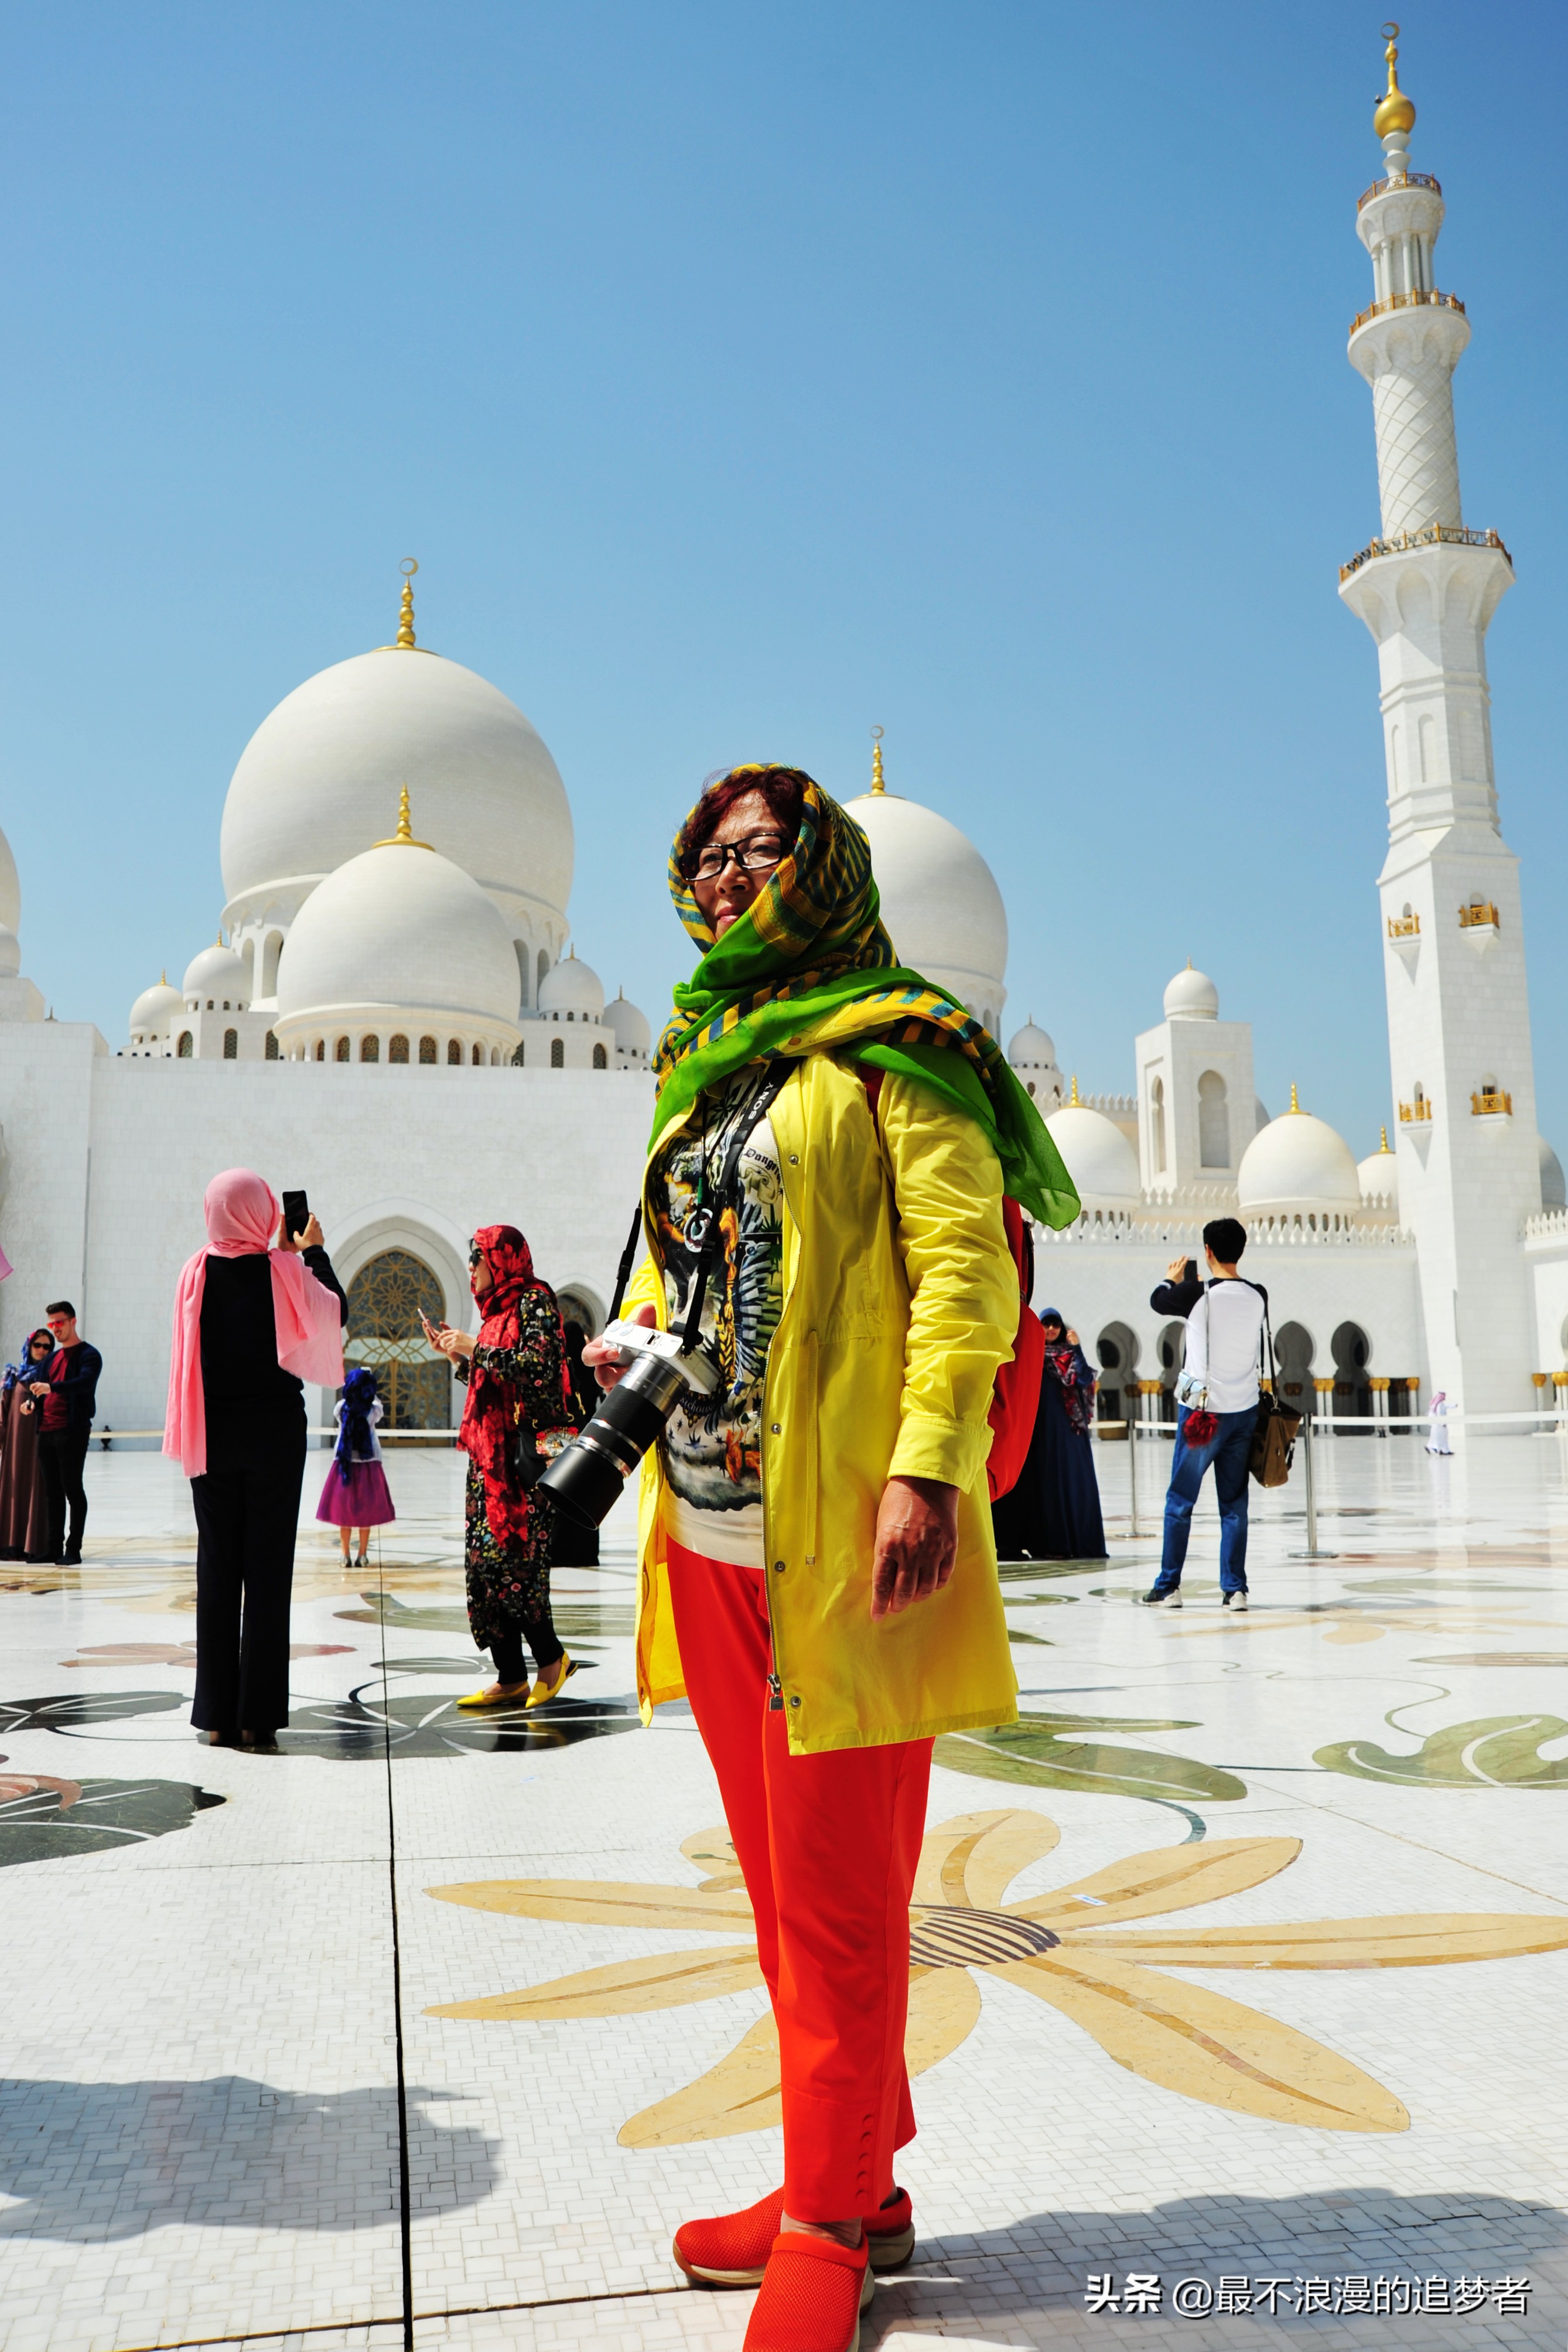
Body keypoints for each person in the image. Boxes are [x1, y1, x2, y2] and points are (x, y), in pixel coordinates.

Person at [583, 764, 1077, 2352]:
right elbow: (692, 1261)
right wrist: (638, 1340)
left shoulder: (900, 1043)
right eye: (704, 857)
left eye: (755, 851)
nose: (725, 879)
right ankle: (853, 2179)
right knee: (790, 1886)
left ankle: (819, 2221)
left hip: (845, 1531)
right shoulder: (706, 1055)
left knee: (845, 1890)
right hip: (713, 1520)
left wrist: (928, 1463)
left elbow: (957, 1271)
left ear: (823, 865)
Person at [163, 1170, 346, 1749]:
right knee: (267, 1574)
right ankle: (257, 1716)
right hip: (273, 1438)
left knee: (217, 1570)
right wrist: (311, 1252)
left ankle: (214, 1716)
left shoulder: (194, 1272)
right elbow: (336, 1312)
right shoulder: (282, 1271)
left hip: (210, 1434)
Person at [425, 1226, 577, 1712]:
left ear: (502, 1258)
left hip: (523, 1465)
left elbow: (539, 1368)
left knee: (517, 1565)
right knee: (484, 1568)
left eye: (478, 1258)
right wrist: (459, 1356)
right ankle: (510, 1674)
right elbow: (492, 1378)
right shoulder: (494, 1314)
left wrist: (477, 1349)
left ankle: (551, 1661)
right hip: (489, 1462)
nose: (472, 1268)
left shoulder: (535, 1300)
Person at [1137, 1217, 1264, 1612]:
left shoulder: (1196, 1293)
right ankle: (1235, 1589)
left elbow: (1157, 1302)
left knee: (1180, 1500)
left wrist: (1170, 1279)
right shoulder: (1259, 1294)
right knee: (1234, 1504)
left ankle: (1168, 1586)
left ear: (1207, 1251)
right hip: (1244, 1412)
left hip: (1202, 1415)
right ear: (1240, 1250)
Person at [990, 1309, 1105, 1562]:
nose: (1051, 1329)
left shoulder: (1069, 1353)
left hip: (1066, 1431)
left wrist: (1076, 1350)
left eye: (1055, 1325)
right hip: (1038, 1428)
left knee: (1065, 1483)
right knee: (1041, 1485)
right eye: (1046, 1324)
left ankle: (1069, 1542)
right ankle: (1041, 1543)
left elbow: (1085, 1378)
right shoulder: (1032, 1353)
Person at [33, 1301, 103, 1566]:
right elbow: (40, 1393)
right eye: (51, 1324)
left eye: (59, 1323)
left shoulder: (89, 1355)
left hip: (72, 1430)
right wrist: (32, 1403)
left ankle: (73, 1549)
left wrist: (51, 1388)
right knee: (52, 1491)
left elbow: (84, 1383)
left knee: (72, 1488)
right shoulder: (50, 1359)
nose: (55, 1329)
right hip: (47, 1431)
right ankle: (53, 1548)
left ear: (73, 1321)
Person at [316, 1366, 396, 1565]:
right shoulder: (374, 1409)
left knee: (345, 1511)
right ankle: (362, 1555)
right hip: (369, 1463)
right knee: (366, 1512)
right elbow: (377, 1406)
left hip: (345, 1463)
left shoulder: (341, 1408)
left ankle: (345, 1555)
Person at [0, 1328, 57, 1561]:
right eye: (38, 1345)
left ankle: (34, 1545)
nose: (42, 1351)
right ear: (29, 1346)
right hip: (15, 1445)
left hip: (41, 1442)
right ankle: (9, 1543)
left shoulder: (52, 1378)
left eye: (47, 1347)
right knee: (14, 1488)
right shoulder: (14, 1376)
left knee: (38, 1488)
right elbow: (3, 1411)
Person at [550, 1319, 601, 1569]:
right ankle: (586, 1553)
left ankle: (560, 1552)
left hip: (563, 1439)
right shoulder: (589, 1371)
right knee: (586, 1497)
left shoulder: (562, 1371)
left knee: (564, 1496)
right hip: (589, 1440)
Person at [1426, 1390, 1452, 1455]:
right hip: (1439, 1425)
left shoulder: (1437, 1404)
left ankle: (1444, 1450)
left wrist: (1453, 1406)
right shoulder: (1439, 1404)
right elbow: (1440, 1413)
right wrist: (1442, 1423)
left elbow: (1446, 1407)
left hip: (1437, 1424)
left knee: (1438, 1437)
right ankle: (1437, 1448)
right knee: (1441, 1436)